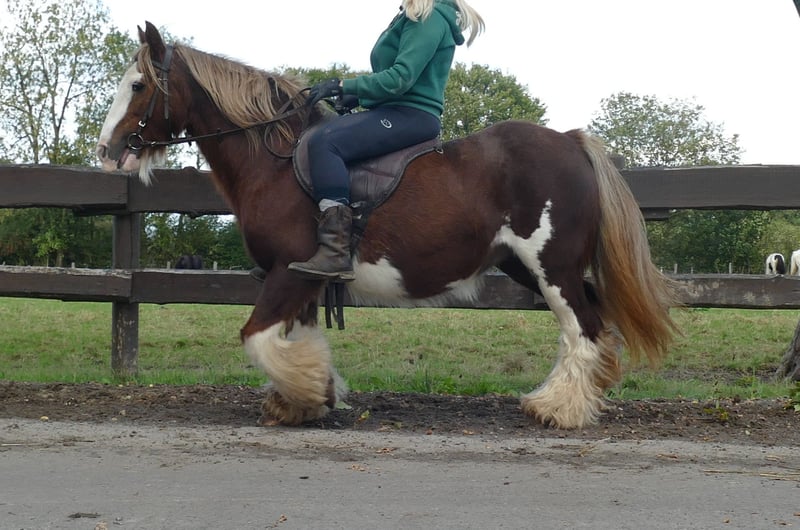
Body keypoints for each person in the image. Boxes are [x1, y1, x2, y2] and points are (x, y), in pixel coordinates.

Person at [287, 0, 485, 282]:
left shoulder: (427, 17)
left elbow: (400, 79)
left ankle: (334, 251)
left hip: (410, 115)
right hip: (393, 110)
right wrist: (357, 96)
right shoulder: (413, 15)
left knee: (326, 142)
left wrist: (343, 85)